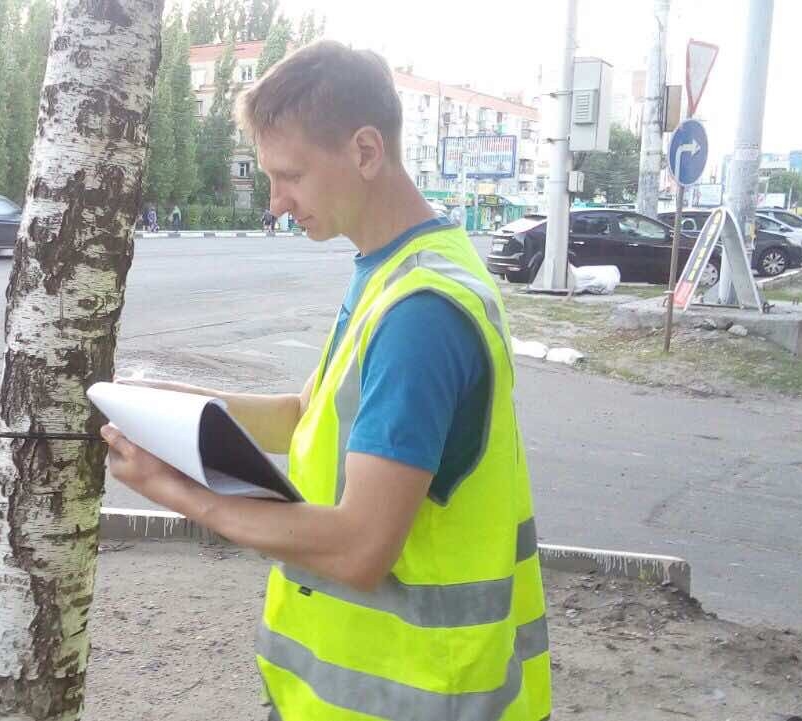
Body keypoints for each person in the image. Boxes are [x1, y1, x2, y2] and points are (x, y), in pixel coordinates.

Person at [102, 40, 550, 721]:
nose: (277, 202)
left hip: (414, 698)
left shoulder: (420, 314)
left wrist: (178, 493)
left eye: (291, 176)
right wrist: (159, 406)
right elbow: (301, 414)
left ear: (365, 151)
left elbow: (360, 546)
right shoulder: (395, 269)